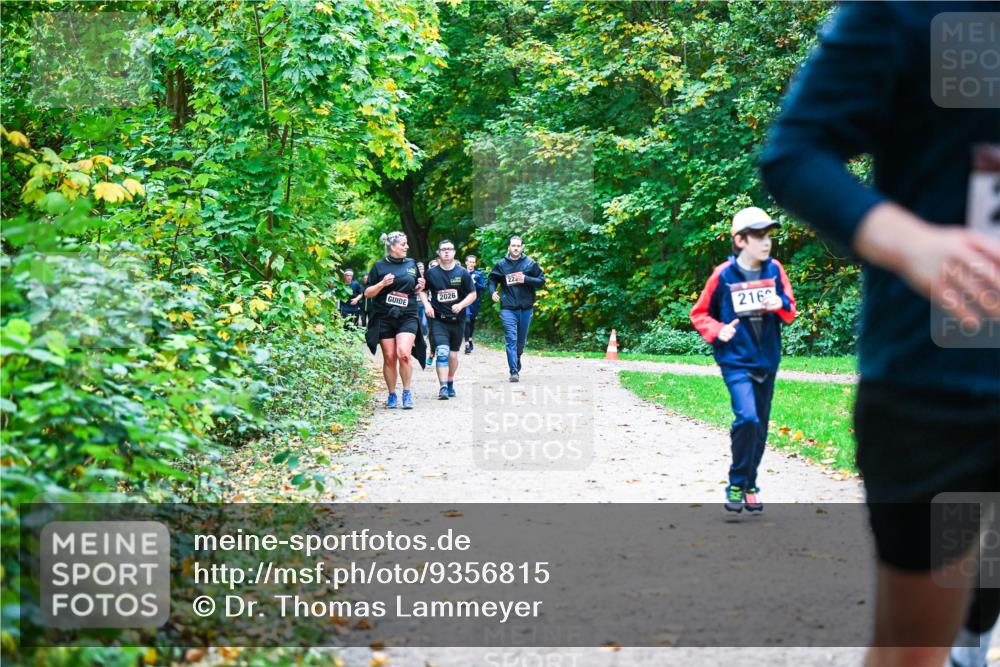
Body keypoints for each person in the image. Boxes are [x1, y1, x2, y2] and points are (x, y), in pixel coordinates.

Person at [759, 3, 1000, 665]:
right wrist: (911, 243)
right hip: (943, 394)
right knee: (916, 647)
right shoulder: (908, 11)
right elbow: (794, 151)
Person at [689, 206, 796, 514]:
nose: (767, 243)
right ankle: (736, 482)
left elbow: (790, 309)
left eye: (769, 236)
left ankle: (750, 483)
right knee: (747, 418)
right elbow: (698, 314)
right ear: (740, 240)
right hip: (735, 360)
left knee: (760, 426)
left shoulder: (775, 270)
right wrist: (718, 330)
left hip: (767, 360)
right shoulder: (723, 275)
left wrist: (780, 303)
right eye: (759, 236)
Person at [364, 232, 427, 409]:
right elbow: (367, 293)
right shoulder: (379, 266)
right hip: (384, 316)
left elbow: (416, 288)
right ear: (392, 247)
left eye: (407, 244)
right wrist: (382, 284)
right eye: (403, 244)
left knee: (404, 354)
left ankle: (407, 392)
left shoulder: (412, 264)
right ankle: (392, 394)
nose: (407, 247)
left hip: (408, 314)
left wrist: (421, 286)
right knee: (390, 357)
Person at [419, 240, 478, 399]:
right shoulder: (431, 273)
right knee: (443, 352)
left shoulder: (462, 273)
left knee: (453, 355)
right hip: (439, 319)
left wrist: (461, 304)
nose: (446, 252)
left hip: (458, 320)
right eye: (443, 249)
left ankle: (450, 382)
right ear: (439, 253)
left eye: (449, 249)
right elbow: (422, 291)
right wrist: (427, 305)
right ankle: (443, 387)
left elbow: (473, 294)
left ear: (454, 253)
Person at [487, 235, 546, 382]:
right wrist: (493, 291)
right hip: (508, 308)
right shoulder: (501, 264)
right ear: (509, 247)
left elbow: (541, 281)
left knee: (520, 342)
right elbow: (492, 279)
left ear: (522, 247)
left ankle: (517, 357)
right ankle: (513, 371)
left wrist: (525, 279)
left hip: (526, 308)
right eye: (513, 245)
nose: (515, 248)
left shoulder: (530, 263)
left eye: (518, 246)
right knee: (511, 339)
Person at [463, 254, 487, 354]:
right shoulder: (461, 273)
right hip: (464, 301)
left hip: (474, 302)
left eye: (473, 262)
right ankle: (467, 344)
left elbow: (483, 288)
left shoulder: (478, 274)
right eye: (470, 262)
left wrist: (475, 283)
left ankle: (470, 338)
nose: (472, 264)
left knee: (471, 322)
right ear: (466, 263)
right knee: (467, 320)